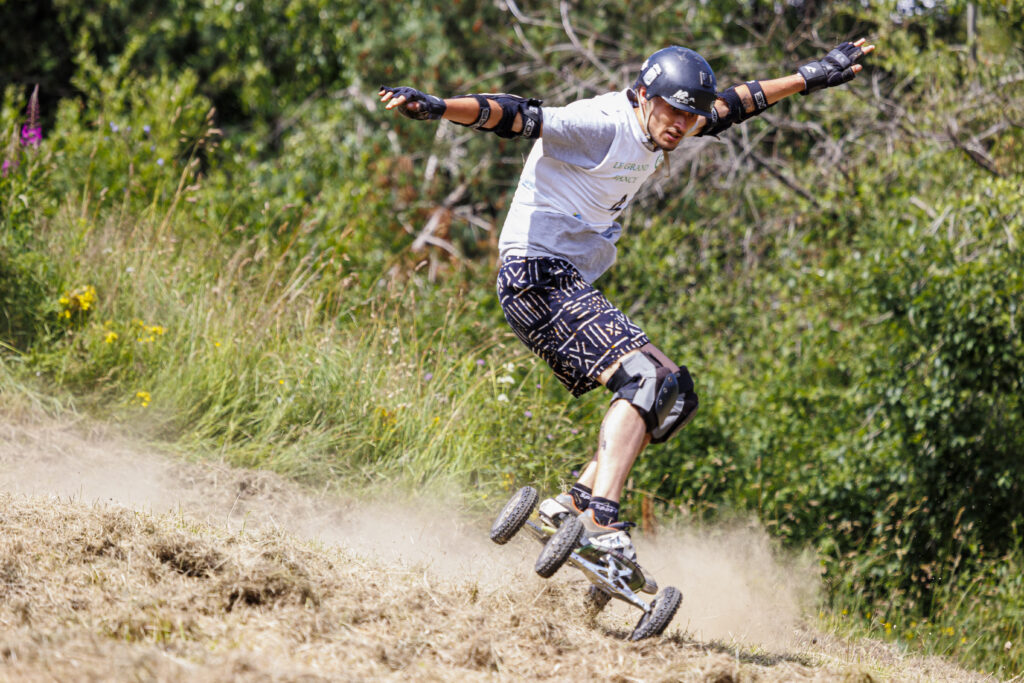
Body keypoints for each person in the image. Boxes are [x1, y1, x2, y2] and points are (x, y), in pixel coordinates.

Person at [380, 39, 874, 588]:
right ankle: (601, 518)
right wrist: (440, 106)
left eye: (689, 115)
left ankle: (572, 505)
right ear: (644, 95)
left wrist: (810, 76)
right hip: (534, 275)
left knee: (674, 392)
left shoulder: (666, 118)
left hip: (560, 278)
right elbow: (516, 115)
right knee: (640, 379)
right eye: (674, 111)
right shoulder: (601, 123)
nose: (681, 126)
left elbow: (734, 105)